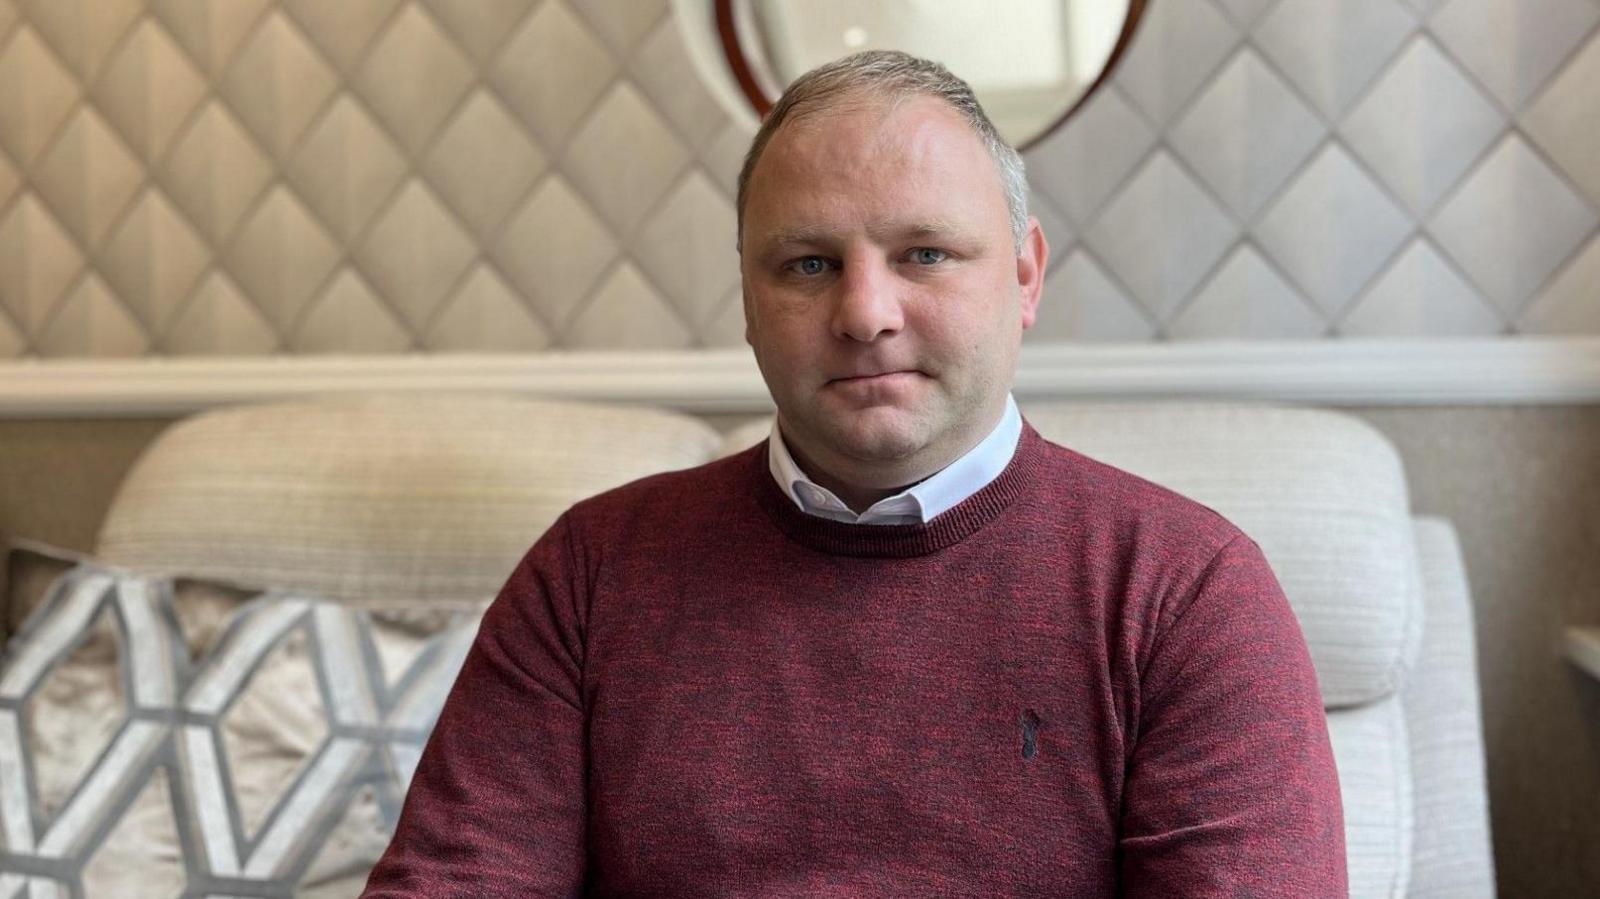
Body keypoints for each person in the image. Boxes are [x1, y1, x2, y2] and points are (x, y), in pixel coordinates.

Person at [360, 50, 1346, 897]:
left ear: (1024, 274)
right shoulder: (591, 570)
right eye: (807, 264)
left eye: (923, 251)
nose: (865, 311)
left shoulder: (1185, 588)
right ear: (745, 295)